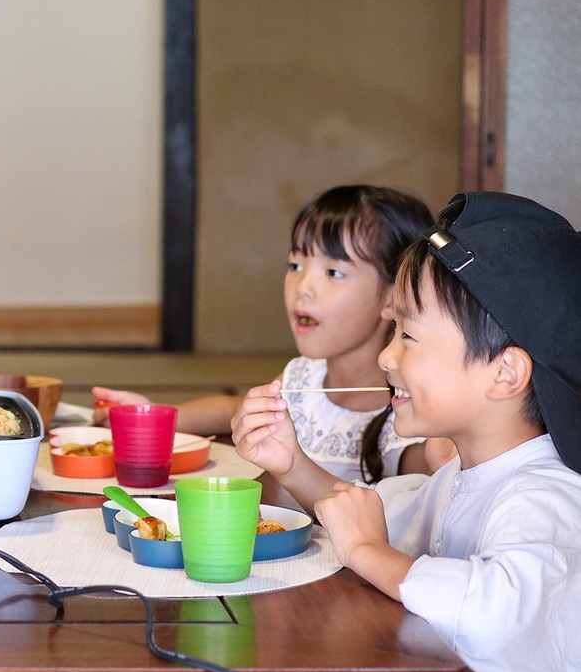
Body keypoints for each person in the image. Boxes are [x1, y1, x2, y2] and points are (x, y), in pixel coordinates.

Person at [232, 192, 581, 672]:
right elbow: (376, 515)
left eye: (408, 336)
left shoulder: (547, 495)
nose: (386, 357)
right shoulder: (458, 479)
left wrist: (370, 551)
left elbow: (492, 610)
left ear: (505, 373)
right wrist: (293, 466)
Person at [92, 185, 450, 488]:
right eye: (295, 265)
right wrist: (152, 416)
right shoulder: (303, 376)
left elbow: (415, 500)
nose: (303, 288)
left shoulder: (412, 411)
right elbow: (234, 409)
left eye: (333, 272)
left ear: (393, 297)